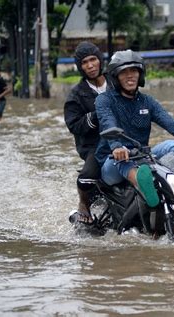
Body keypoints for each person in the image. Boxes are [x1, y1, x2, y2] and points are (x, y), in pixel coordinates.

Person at [95, 50, 174, 207]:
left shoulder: (147, 101)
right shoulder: (104, 100)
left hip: (141, 156)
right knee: (123, 158)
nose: (130, 75)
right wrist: (116, 146)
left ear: (140, 74)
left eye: (134, 70)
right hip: (112, 161)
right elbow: (107, 122)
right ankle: (148, 191)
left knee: (171, 145)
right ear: (115, 76)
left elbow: (169, 121)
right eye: (124, 72)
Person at [64, 41, 112, 224]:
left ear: (100, 60)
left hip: (124, 139)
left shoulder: (116, 81)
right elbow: (73, 125)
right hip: (94, 145)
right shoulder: (76, 95)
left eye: (93, 60)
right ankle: (83, 204)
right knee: (87, 175)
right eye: (85, 62)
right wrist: (94, 116)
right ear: (80, 67)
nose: (90, 65)